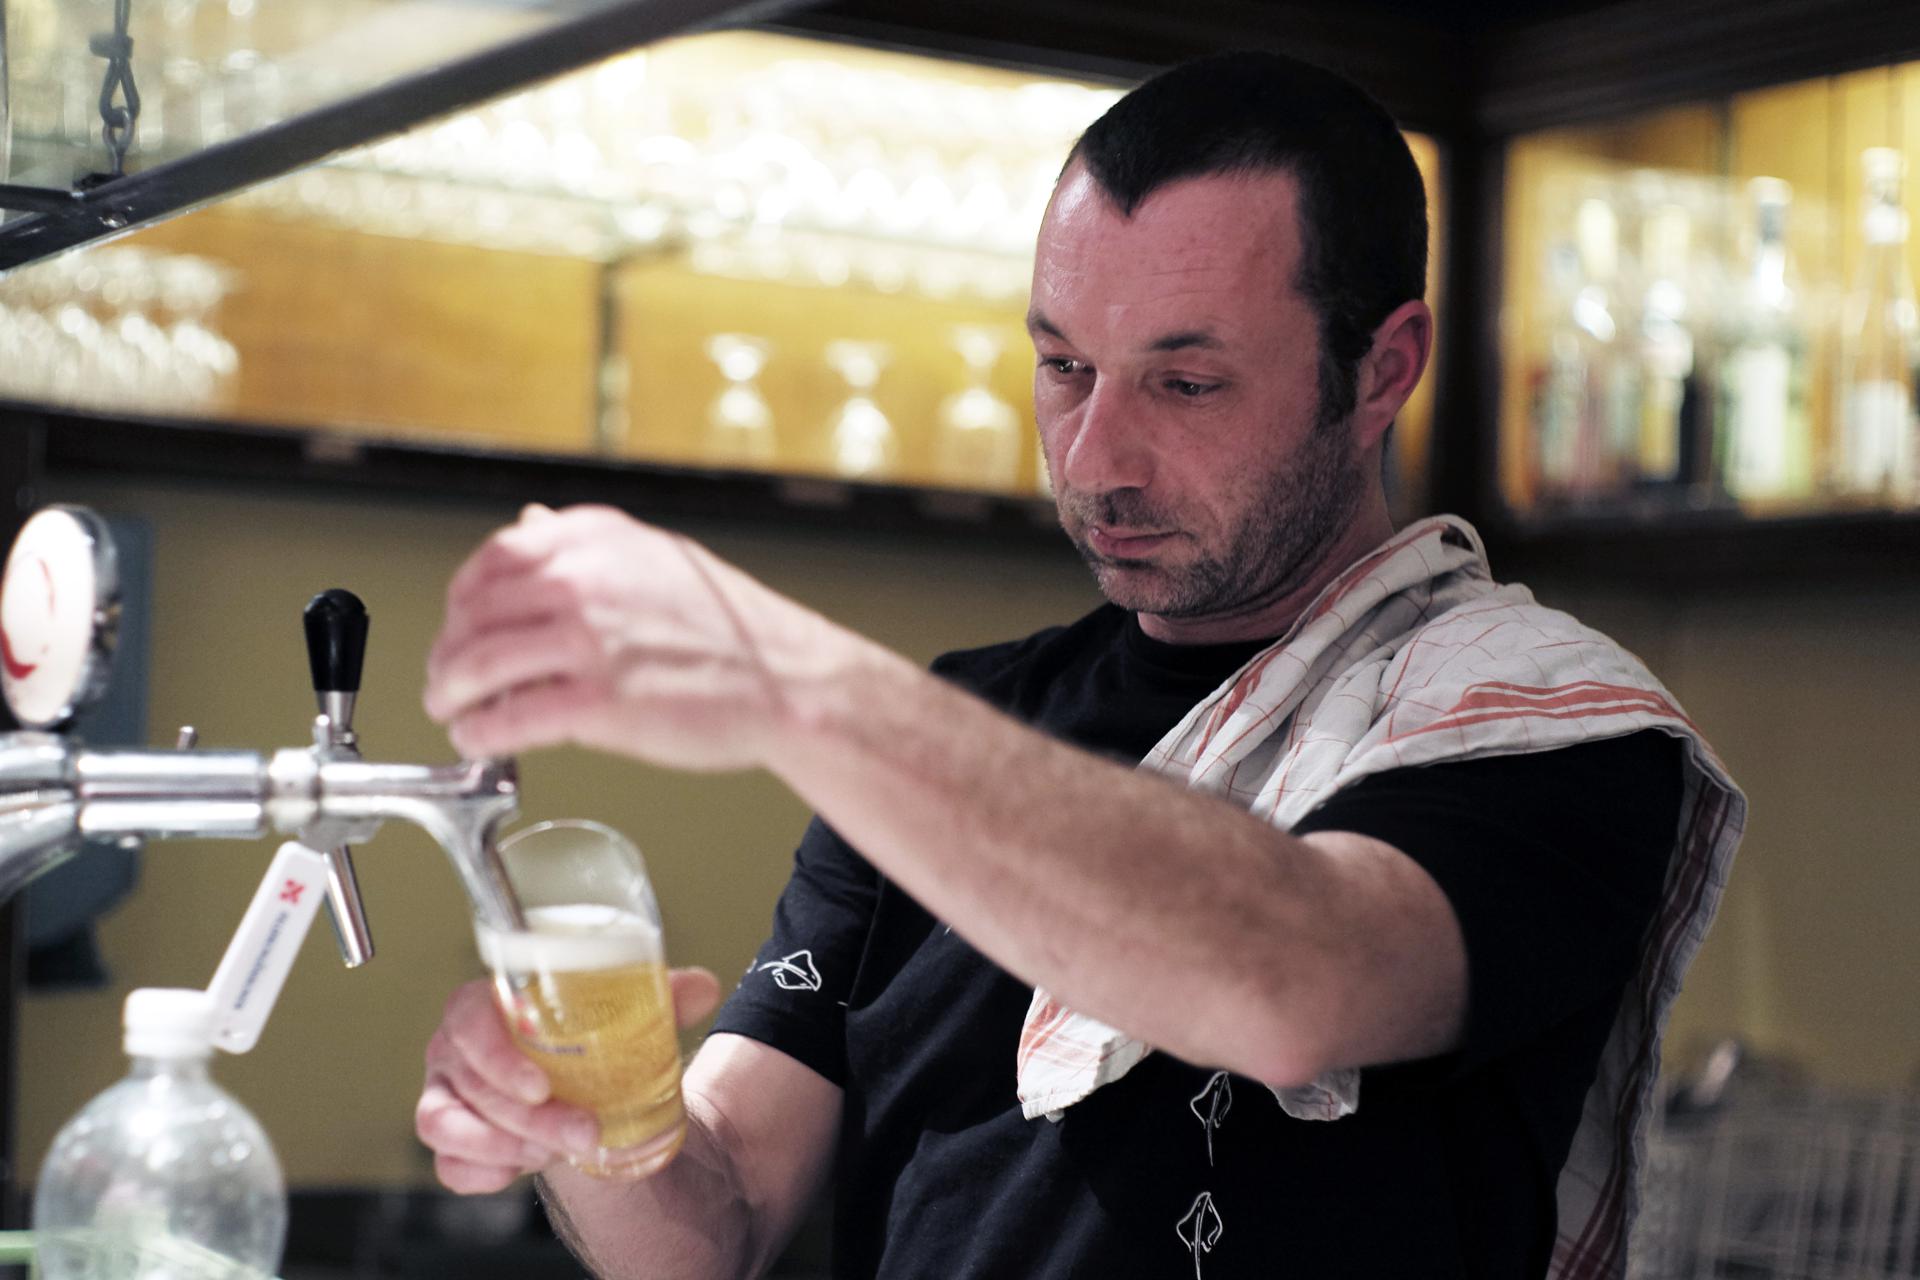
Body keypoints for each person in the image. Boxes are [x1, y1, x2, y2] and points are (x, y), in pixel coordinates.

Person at [413, 50, 1744, 1280]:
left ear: (1382, 369)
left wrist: (786, 681)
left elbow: (1289, 983)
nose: (1096, 458)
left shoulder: (1543, 722)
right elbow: (712, 1226)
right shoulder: (955, 721)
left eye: (1186, 384)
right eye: (1063, 367)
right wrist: (592, 1111)